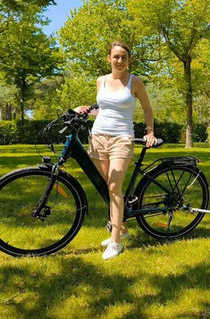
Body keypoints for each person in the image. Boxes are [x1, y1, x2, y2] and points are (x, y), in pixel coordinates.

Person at [74, 41, 156, 260]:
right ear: (109, 58)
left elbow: (147, 109)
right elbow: (103, 108)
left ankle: (116, 242)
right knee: (108, 187)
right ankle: (122, 229)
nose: (120, 61)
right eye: (116, 57)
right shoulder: (100, 81)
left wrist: (150, 131)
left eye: (124, 57)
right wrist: (86, 109)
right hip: (98, 138)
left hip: (122, 138)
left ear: (128, 60)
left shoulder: (135, 82)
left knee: (113, 186)